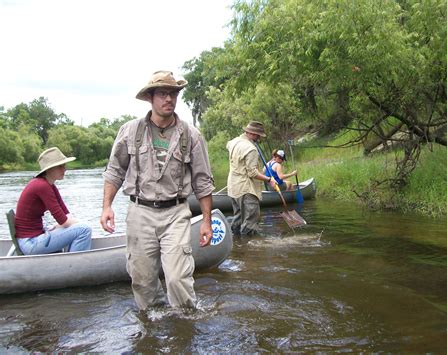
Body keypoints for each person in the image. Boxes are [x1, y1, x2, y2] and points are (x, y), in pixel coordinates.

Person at [100, 70, 214, 311]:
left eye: (173, 94)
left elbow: (203, 182)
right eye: (162, 94)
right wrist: (107, 206)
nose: (169, 99)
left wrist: (206, 221)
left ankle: (185, 324)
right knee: (142, 280)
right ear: (150, 98)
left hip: (175, 213)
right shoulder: (130, 131)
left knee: (177, 278)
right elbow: (114, 171)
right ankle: (153, 322)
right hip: (140, 212)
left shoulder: (191, 135)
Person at [15, 147, 92, 255]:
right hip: (30, 242)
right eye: (60, 166)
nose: (64, 169)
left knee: (80, 227)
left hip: (35, 237)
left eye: (64, 166)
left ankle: (70, 261)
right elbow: (63, 221)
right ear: (49, 169)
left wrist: (70, 224)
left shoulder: (49, 185)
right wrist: (79, 224)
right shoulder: (42, 186)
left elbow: (66, 214)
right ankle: (72, 266)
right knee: (84, 230)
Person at [226, 121, 276, 236]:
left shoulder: (233, 142)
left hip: (233, 188)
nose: (259, 139)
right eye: (258, 136)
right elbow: (252, 173)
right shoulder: (251, 149)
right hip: (246, 190)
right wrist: (269, 179)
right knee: (250, 224)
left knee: (238, 219)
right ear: (253, 134)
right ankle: (250, 249)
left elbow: (228, 146)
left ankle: (238, 247)